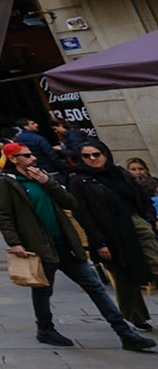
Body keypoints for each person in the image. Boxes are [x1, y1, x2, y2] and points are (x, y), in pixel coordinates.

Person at [0, 142, 155, 352]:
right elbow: (3, 215)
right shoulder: (8, 182)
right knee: (43, 289)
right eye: (26, 155)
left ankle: (124, 332)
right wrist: (14, 242)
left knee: (94, 286)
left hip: (65, 243)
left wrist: (47, 182)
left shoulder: (41, 177)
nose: (33, 158)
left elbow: (70, 202)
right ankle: (45, 328)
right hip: (40, 246)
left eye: (32, 154)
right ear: (14, 159)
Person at [67, 141, 157, 331]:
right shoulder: (79, 181)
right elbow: (83, 214)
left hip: (134, 223)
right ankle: (136, 316)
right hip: (108, 231)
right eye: (86, 156)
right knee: (124, 273)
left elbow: (141, 197)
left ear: (105, 154)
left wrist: (146, 217)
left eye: (96, 154)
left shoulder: (120, 174)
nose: (92, 159)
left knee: (154, 261)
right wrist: (99, 242)